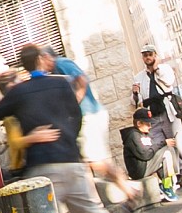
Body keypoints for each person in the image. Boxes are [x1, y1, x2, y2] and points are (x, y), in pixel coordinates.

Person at [0, 43, 145, 213]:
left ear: (23, 65)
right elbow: (76, 115)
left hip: (42, 167)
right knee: (96, 211)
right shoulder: (60, 83)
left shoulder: (18, 93)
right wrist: (68, 138)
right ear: (41, 59)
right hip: (71, 159)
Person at [45, 47, 131, 202]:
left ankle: (128, 191)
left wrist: (75, 103)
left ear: (46, 57)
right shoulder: (57, 69)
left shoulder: (61, 62)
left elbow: (82, 79)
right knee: (88, 162)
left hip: (88, 115)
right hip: (89, 115)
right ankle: (100, 201)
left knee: (95, 162)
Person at [131, 45, 182, 191]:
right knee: (159, 145)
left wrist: (156, 68)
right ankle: (168, 178)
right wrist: (135, 93)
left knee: (176, 142)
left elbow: (168, 82)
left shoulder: (164, 69)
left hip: (168, 111)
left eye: (150, 54)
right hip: (151, 114)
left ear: (155, 55)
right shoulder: (139, 77)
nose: (148, 57)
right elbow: (134, 101)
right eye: (145, 55)